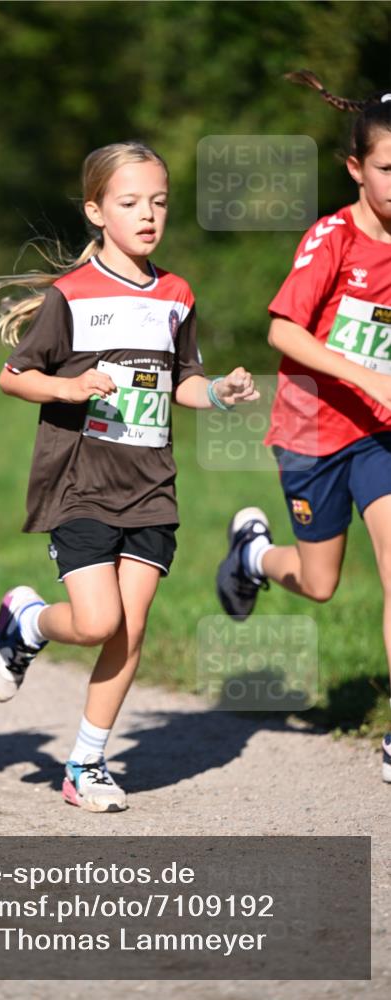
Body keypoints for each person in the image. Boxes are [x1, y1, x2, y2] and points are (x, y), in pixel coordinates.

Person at [0, 140, 259, 812]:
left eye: (158, 202)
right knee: (98, 620)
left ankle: (84, 763)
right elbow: (13, 376)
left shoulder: (175, 293)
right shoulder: (70, 297)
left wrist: (217, 392)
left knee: (129, 630)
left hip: (150, 486)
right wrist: (69, 391)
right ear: (95, 210)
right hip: (80, 482)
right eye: (130, 202)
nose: (147, 215)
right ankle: (28, 622)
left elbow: (182, 378)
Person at [214, 73, 391, 782]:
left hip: (379, 435)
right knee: (318, 584)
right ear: (355, 168)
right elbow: (283, 331)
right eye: (387, 168)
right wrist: (366, 375)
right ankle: (253, 558)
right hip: (312, 432)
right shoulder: (332, 239)